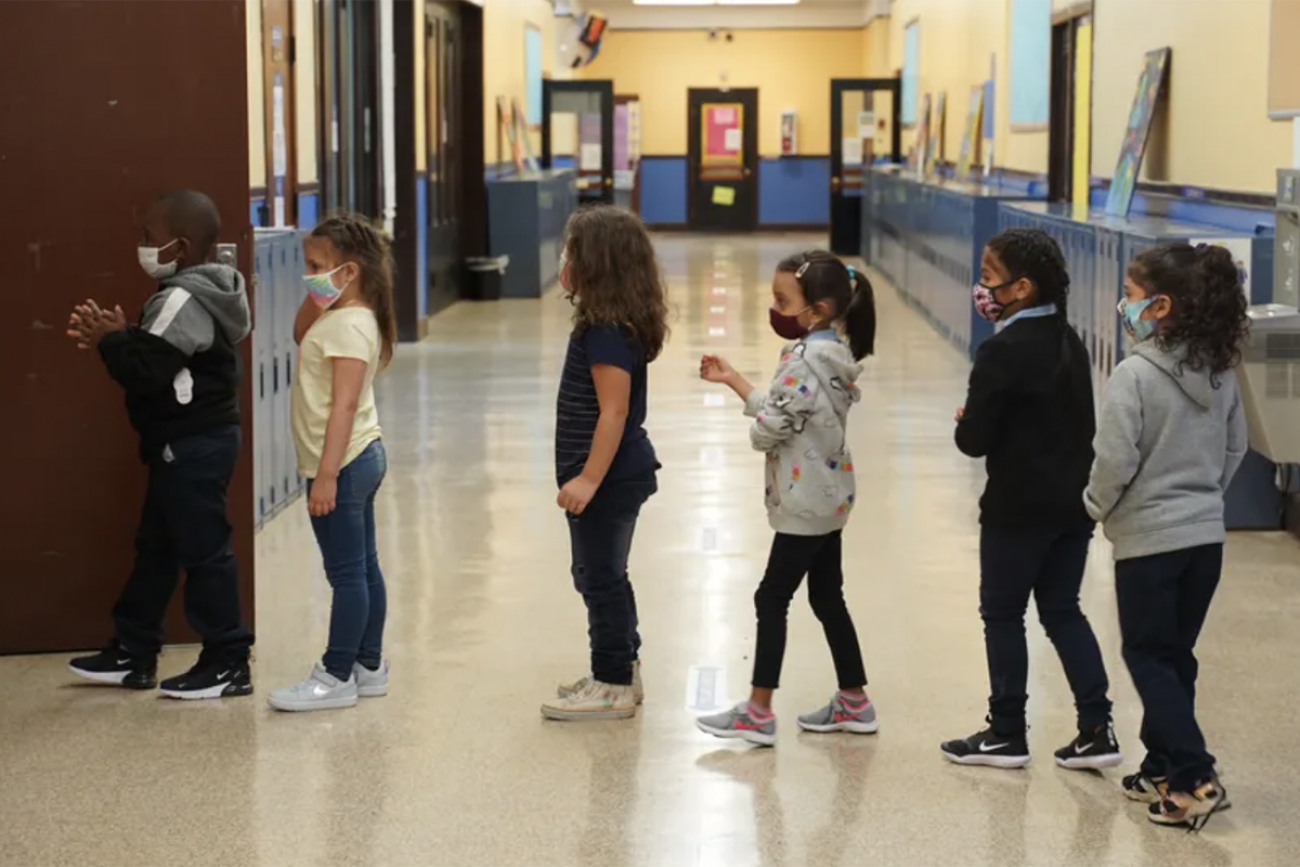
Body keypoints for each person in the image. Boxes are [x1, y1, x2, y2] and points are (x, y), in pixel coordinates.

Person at [940, 228, 1120, 770]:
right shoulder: (1071, 339)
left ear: (1021, 288)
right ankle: (1097, 728)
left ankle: (1006, 731)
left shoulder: (1001, 350)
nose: (982, 289)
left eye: (990, 279)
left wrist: (967, 422)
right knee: (1064, 610)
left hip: (1017, 509)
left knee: (1002, 612)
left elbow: (974, 442)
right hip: (1073, 507)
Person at [65, 190, 255, 699]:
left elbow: (148, 371)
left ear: (182, 246)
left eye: (149, 237)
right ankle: (134, 649)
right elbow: (163, 354)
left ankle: (228, 659)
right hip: (193, 440)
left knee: (205, 553)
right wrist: (122, 335)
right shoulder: (206, 291)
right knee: (158, 548)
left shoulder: (179, 298)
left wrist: (111, 339)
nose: (143, 246)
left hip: (192, 443)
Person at [1085, 243, 1248, 829]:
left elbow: (1113, 459)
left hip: (1149, 544)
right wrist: (1203, 501)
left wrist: (1095, 509)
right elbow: (1236, 448)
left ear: (1160, 305)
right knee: (1175, 655)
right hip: (1205, 540)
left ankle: (1195, 775)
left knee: (1148, 656)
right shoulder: (1220, 370)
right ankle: (1163, 771)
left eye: (1129, 296)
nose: (1121, 306)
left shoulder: (1133, 375)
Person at [694, 251, 877, 747]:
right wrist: (735, 381)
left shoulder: (801, 362)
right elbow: (793, 412)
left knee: (770, 597)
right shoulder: (834, 355)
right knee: (825, 596)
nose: (774, 308)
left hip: (802, 504)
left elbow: (770, 430)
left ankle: (758, 710)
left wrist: (762, 419)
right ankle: (854, 700)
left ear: (814, 310)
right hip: (830, 497)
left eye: (782, 300)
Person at [541, 206, 668, 722]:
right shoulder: (607, 324)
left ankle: (611, 679)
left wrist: (589, 478)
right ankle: (622, 666)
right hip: (609, 476)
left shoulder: (607, 332)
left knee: (599, 578)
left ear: (596, 265)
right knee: (599, 573)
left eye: (571, 254)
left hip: (609, 478)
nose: (563, 262)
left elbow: (613, 412)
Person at [268, 214, 397, 713]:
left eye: (319, 267)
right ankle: (369, 665)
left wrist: (325, 476)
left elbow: (342, 406)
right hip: (358, 456)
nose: (310, 274)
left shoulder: (349, 327)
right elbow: (300, 333)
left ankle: (335, 673)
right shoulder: (341, 314)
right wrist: (319, 293)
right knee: (363, 567)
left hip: (343, 463)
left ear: (351, 270)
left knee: (346, 574)